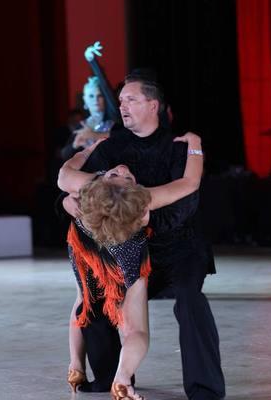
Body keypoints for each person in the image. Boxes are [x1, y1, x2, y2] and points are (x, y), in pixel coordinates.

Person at [59, 75, 226, 400]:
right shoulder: (111, 146)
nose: (121, 106)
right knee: (94, 294)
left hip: (177, 251)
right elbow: (68, 188)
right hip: (124, 248)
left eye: (130, 100)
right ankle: (111, 377)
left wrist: (132, 222)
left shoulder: (177, 147)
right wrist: (73, 206)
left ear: (154, 105)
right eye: (120, 101)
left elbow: (186, 205)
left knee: (191, 300)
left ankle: (204, 389)